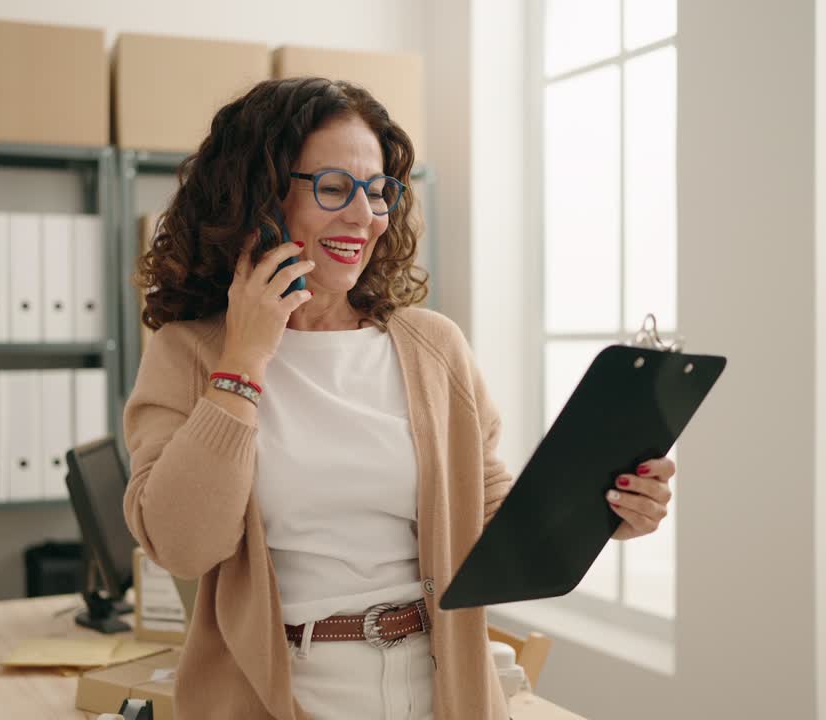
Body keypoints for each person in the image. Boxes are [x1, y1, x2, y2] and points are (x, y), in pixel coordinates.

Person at [122, 77, 676, 720]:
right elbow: (182, 546)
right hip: (282, 688)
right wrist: (244, 358)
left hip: (442, 683)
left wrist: (605, 510)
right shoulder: (189, 354)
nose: (364, 216)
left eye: (378, 189)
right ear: (258, 197)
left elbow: (494, 521)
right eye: (332, 188)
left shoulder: (431, 345)